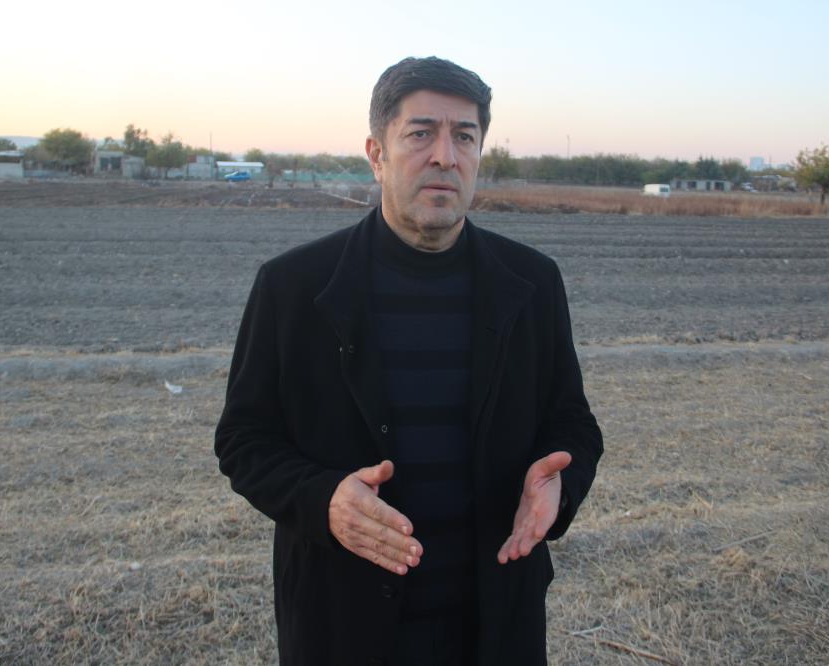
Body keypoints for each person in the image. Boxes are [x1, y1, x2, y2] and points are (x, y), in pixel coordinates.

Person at [215, 56, 603, 666]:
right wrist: (324, 500)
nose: (445, 156)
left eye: (464, 137)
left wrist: (559, 485)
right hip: (343, 629)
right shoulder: (293, 287)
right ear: (376, 153)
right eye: (421, 133)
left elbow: (573, 425)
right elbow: (244, 439)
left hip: (495, 628)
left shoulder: (532, 283)